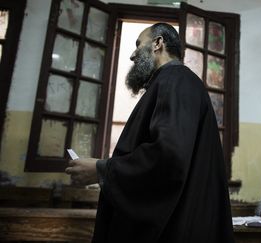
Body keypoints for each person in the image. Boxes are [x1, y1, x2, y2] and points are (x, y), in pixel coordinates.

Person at [65, 23, 234, 243]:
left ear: (158, 43)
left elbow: (168, 157)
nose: (133, 55)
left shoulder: (176, 81)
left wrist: (102, 170)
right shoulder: (171, 82)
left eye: (138, 44)